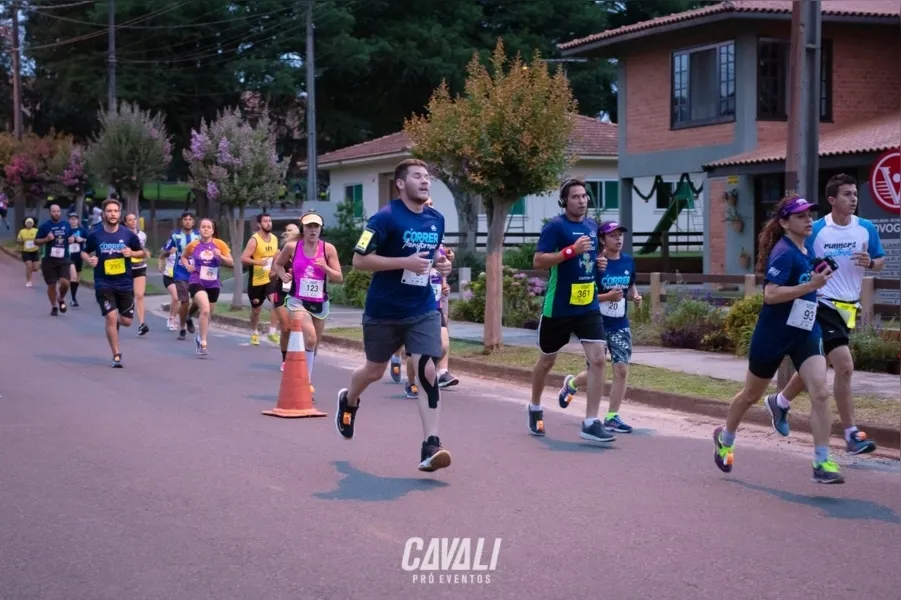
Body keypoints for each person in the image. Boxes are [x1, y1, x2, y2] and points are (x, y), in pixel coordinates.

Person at [713, 195, 844, 484]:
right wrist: (810, 284)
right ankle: (725, 438)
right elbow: (770, 295)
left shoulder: (805, 247)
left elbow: (803, 282)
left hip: (805, 331)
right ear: (784, 223)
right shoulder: (783, 252)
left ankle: (822, 462)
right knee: (750, 395)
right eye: (801, 216)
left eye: (810, 214)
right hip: (773, 335)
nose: (809, 219)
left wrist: (816, 274)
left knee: (821, 392)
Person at [335, 158, 453, 472]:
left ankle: (431, 444)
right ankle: (349, 399)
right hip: (384, 311)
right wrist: (403, 262)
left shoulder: (436, 219)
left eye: (427, 176)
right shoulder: (384, 218)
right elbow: (359, 261)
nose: (425, 181)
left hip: (422, 308)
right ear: (400, 183)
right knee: (374, 371)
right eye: (417, 176)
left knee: (428, 370)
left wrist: (442, 265)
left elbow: (434, 253)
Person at [765, 174, 885, 455]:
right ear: (832, 200)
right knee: (844, 366)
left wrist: (871, 262)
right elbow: (796, 256)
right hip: (820, 303)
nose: (853, 199)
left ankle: (780, 401)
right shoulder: (816, 229)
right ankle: (851, 434)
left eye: (855, 194)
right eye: (846, 194)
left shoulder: (866, 228)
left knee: (819, 365)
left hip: (848, 307)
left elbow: (879, 262)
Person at [528, 179, 614, 444]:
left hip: (587, 305)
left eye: (584, 196)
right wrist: (569, 251)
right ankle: (534, 406)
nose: (581, 200)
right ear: (564, 201)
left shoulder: (591, 226)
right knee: (547, 362)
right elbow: (539, 260)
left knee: (598, 359)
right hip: (560, 307)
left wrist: (598, 265)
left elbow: (587, 258)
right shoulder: (555, 227)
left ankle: (590, 422)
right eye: (575, 197)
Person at [558, 221, 641, 433]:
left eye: (620, 235)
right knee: (598, 370)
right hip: (596, 323)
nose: (618, 239)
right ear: (602, 239)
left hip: (620, 324)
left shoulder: (628, 261)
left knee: (621, 369)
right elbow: (585, 294)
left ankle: (612, 417)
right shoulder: (595, 264)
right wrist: (607, 296)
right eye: (612, 236)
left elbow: (630, 284)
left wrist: (635, 295)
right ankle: (573, 384)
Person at [273, 211, 343, 388]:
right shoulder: (292, 247)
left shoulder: (328, 249)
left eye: (316, 226)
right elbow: (278, 264)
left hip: (320, 302)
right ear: (303, 228)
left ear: (320, 229)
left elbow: (339, 277)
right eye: (309, 226)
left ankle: (306, 379)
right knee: (310, 338)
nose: (313, 230)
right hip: (297, 300)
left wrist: (326, 267)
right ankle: (304, 382)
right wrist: (283, 276)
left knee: (314, 344)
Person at [81, 198, 145, 368]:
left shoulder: (128, 234)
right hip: (103, 282)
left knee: (127, 321)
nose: (112, 214)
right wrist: (89, 260)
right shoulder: (95, 234)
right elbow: (84, 252)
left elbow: (143, 253)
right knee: (110, 316)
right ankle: (116, 354)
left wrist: (131, 252)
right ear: (103, 214)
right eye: (109, 211)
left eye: (115, 211)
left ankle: (115, 320)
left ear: (120, 213)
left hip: (124, 282)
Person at [181, 218, 234, 356]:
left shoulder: (219, 244)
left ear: (212, 230)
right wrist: (187, 266)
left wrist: (220, 256)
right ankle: (203, 342)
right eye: (203, 227)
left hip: (213, 282)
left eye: (208, 227)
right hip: (196, 279)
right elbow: (184, 257)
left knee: (208, 313)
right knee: (204, 309)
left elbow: (231, 262)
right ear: (199, 229)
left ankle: (199, 337)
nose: (205, 229)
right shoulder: (193, 245)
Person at [241, 213, 281, 346]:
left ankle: (272, 332)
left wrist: (275, 269)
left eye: (270, 221)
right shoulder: (254, 240)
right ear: (259, 224)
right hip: (257, 280)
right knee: (256, 310)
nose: (269, 223)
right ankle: (254, 332)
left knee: (276, 302)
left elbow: (276, 255)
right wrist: (258, 262)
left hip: (270, 278)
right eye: (265, 221)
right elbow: (244, 258)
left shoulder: (274, 239)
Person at [160, 212, 200, 340]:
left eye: (190, 219)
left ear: (193, 222)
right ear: (181, 222)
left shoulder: (198, 236)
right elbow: (166, 250)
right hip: (180, 272)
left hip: (196, 272)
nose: (188, 221)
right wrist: (167, 251)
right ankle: (182, 327)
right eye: (185, 219)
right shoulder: (175, 235)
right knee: (184, 301)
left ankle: (189, 316)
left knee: (198, 301)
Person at [34, 204, 75, 316]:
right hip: (49, 260)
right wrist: (46, 239)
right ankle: (54, 307)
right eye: (54, 211)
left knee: (65, 283)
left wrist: (72, 239)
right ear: (50, 213)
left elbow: (71, 236)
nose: (56, 213)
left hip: (63, 259)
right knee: (51, 285)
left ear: (60, 212)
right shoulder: (45, 226)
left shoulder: (66, 225)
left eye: (58, 211)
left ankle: (60, 298)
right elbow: (36, 241)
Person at [272, 224, 300, 371]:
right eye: (287, 230)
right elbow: (273, 271)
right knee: (286, 328)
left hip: (298, 292)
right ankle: (285, 358)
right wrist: (283, 275)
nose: (288, 232)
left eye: (291, 230)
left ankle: (297, 356)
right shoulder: (281, 252)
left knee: (297, 328)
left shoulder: (304, 250)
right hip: (281, 292)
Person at [124, 213, 151, 336]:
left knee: (139, 295)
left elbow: (143, 250)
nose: (133, 221)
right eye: (130, 220)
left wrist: (146, 253)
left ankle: (141, 324)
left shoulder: (142, 235)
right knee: (127, 295)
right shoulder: (122, 235)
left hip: (140, 267)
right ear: (126, 223)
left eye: (134, 219)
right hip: (126, 268)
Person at [65, 213, 89, 307]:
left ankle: (73, 295)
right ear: (69, 220)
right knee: (73, 276)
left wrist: (82, 239)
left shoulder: (82, 230)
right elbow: (60, 241)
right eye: (71, 219)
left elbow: (89, 240)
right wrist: (68, 240)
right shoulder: (67, 230)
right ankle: (73, 299)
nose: (73, 221)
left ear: (78, 221)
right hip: (69, 256)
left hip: (79, 256)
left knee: (77, 276)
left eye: (75, 219)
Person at [16, 217, 40, 287]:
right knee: (29, 265)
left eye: (30, 223)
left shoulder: (36, 230)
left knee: (36, 268)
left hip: (34, 251)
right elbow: (18, 240)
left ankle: (29, 270)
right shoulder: (22, 231)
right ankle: (29, 281)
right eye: (28, 223)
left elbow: (40, 238)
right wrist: (20, 241)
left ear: (32, 224)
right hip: (26, 251)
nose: (29, 224)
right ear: (25, 224)